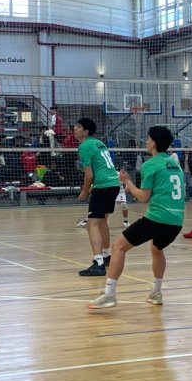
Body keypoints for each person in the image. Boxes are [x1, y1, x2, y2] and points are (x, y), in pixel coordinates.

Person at [87, 126, 184, 309]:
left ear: (154, 143)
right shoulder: (174, 163)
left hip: (157, 218)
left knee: (118, 247)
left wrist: (128, 182)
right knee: (157, 248)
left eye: (148, 139)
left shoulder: (150, 165)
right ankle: (156, 292)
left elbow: (143, 198)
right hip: (177, 220)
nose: (146, 142)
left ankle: (109, 295)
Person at [74, 117, 121, 277]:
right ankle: (106, 256)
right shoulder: (98, 143)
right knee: (102, 222)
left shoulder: (84, 146)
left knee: (91, 224)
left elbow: (89, 175)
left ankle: (98, 263)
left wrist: (85, 191)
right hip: (114, 183)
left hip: (103, 186)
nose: (74, 128)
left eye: (78, 126)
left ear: (86, 131)